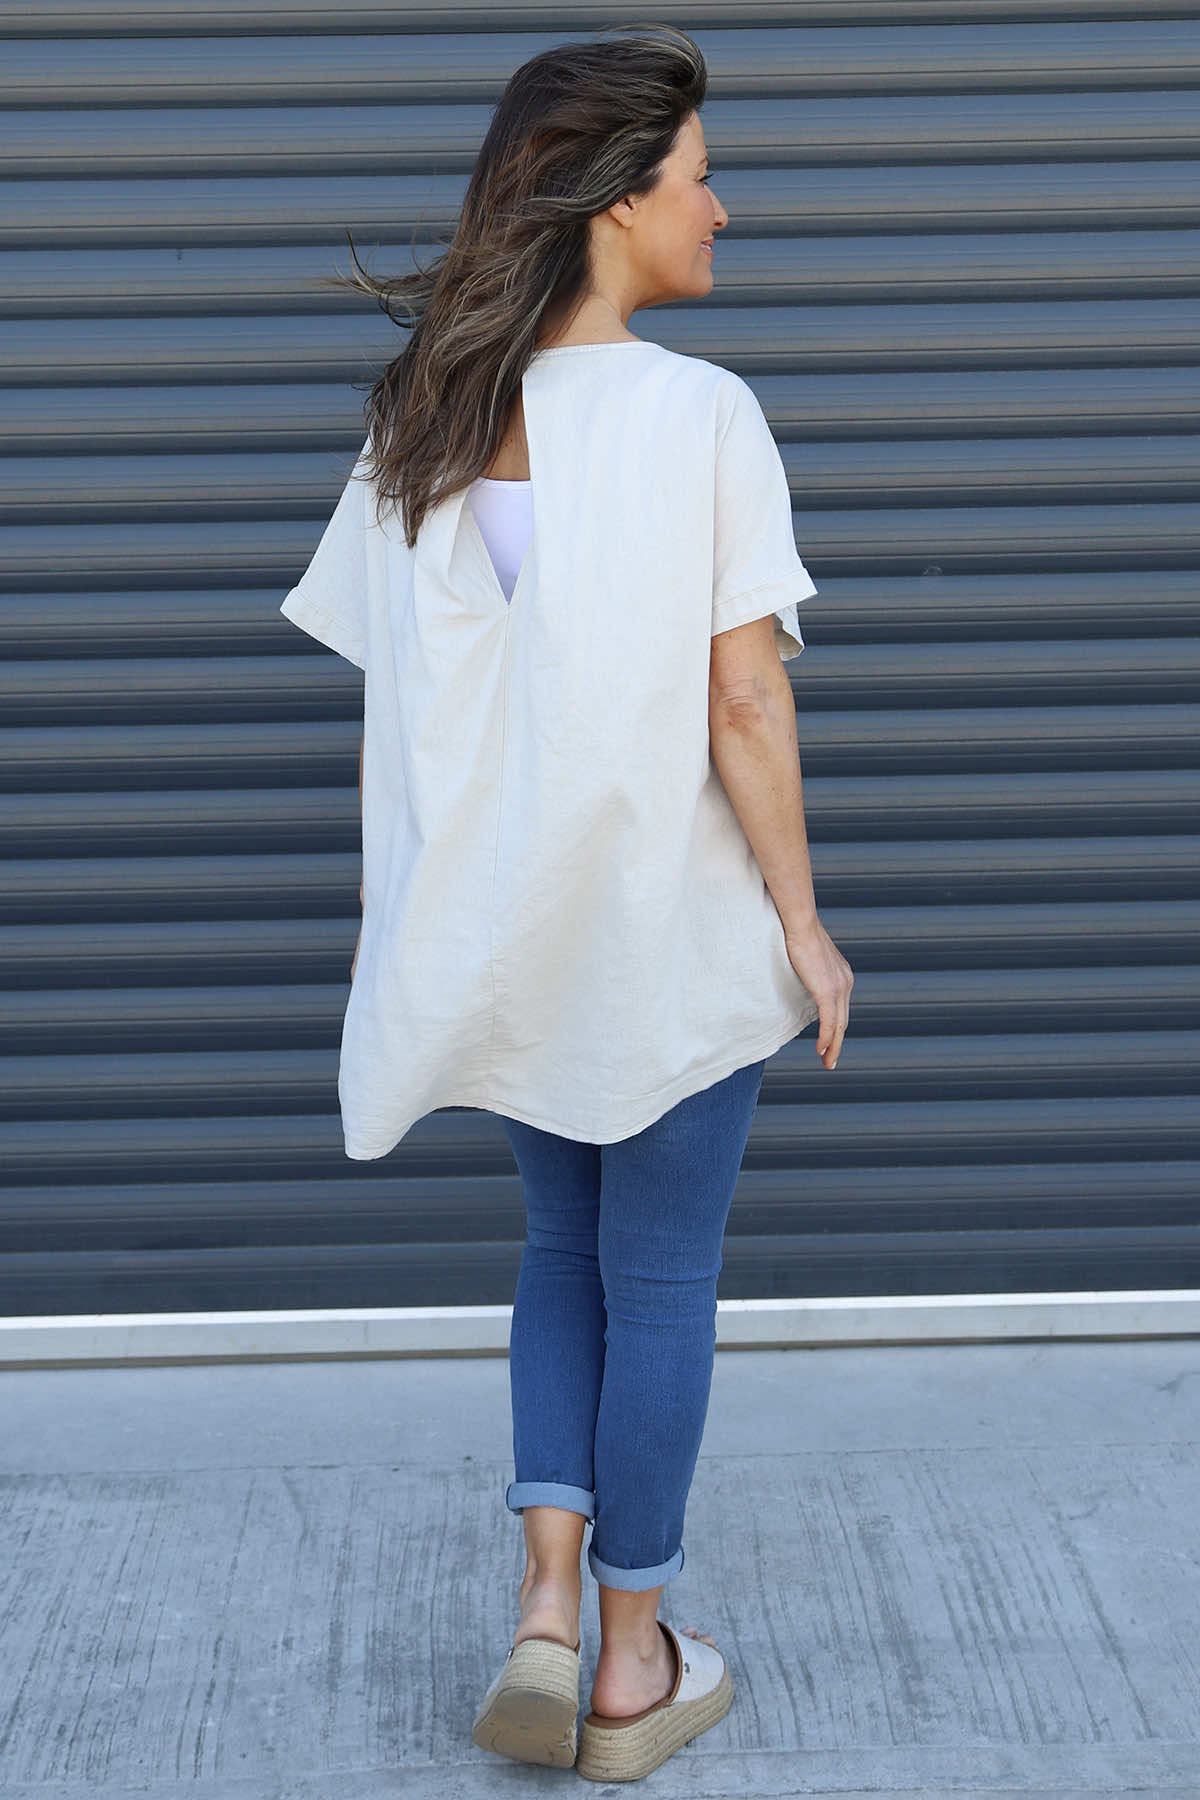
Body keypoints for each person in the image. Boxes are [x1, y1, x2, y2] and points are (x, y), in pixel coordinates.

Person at [279, 24, 853, 1784]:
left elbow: (409, 681)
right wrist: (805, 923)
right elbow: (742, 699)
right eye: (701, 179)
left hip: (510, 936)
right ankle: (629, 1661)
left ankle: (542, 1602)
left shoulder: (425, 416)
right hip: (663, 938)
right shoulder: (700, 413)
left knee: (559, 1259)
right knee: (660, 1283)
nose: (722, 211)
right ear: (615, 201)